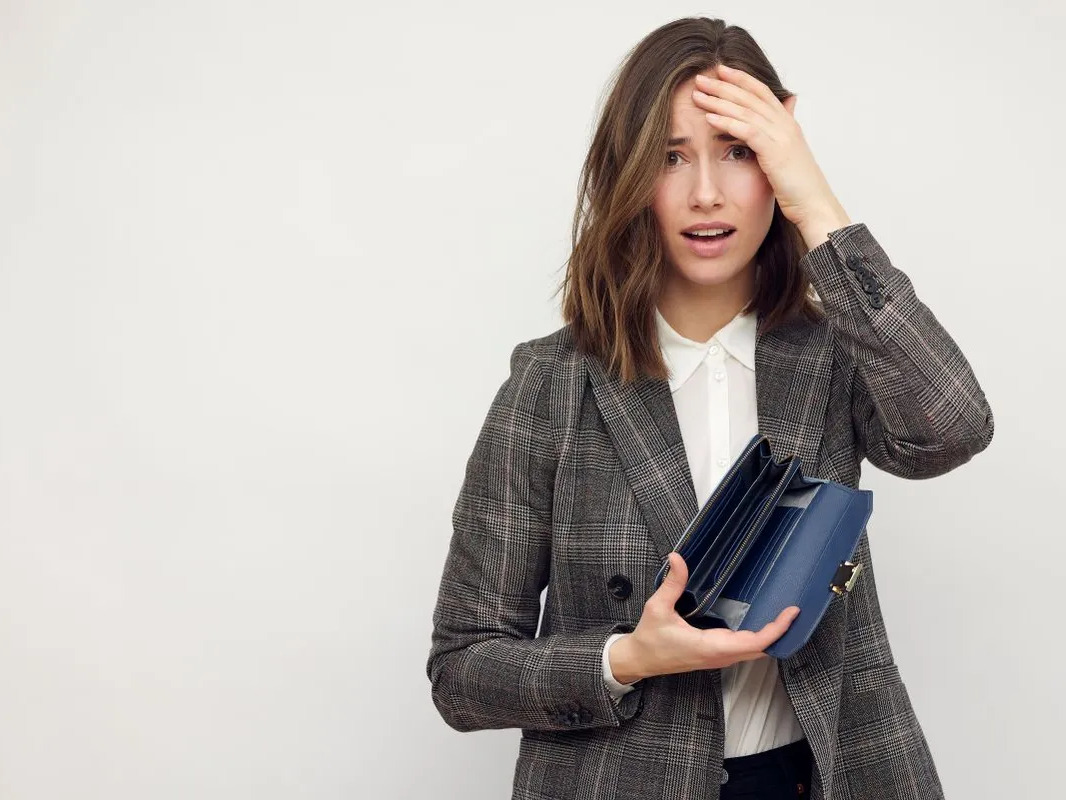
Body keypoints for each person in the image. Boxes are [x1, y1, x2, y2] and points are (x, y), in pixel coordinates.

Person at [425, 16, 993, 800]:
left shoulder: (831, 356)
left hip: (819, 777)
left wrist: (816, 202)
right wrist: (628, 657)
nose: (705, 194)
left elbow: (951, 429)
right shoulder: (552, 384)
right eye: (669, 158)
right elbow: (462, 670)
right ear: (628, 178)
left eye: (738, 152)